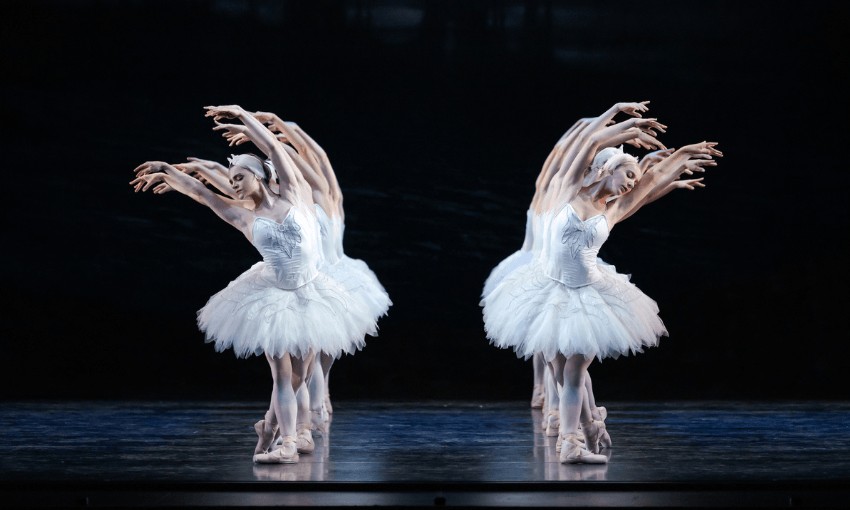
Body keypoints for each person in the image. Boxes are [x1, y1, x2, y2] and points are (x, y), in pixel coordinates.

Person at [130, 104, 379, 464]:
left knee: (302, 375)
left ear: (258, 175)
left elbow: (275, 149)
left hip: (312, 292)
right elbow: (204, 194)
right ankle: (288, 442)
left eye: (238, 176)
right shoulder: (244, 217)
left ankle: (277, 428)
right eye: (231, 179)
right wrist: (169, 172)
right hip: (272, 297)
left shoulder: (293, 193)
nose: (232, 183)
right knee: (282, 375)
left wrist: (243, 114)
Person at [482, 101, 719, 463]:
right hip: (550, 289)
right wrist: (618, 116)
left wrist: (681, 156)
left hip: (589, 296)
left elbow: (650, 184)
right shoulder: (565, 190)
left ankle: (572, 442)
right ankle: (583, 430)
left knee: (574, 371)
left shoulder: (614, 209)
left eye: (632, 182)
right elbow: (582, 142)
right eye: (628, 176)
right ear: (607, 168)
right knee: (561, 370)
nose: (631, 185)